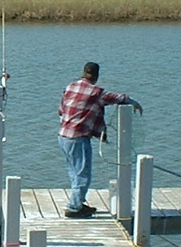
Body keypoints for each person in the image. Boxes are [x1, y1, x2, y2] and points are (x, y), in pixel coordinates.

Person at [58, 62, 142, 218]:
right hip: (78, 138)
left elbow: (61, 111)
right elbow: (119, 98)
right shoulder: (96, 92)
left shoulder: (70, 87)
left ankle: (78, 202)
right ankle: (74, 208)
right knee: (83, 174)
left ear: (83, 72)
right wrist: (134, 103)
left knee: (74, 172)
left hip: (63, 136)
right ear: (96, 76)